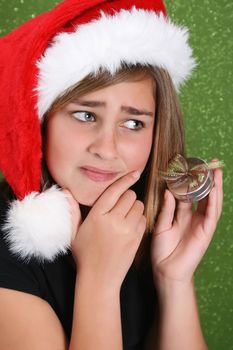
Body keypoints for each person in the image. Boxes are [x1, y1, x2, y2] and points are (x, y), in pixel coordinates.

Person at [0, 0, 223, 349]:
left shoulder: (134, 229)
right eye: (86, 115)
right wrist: (99, 280)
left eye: (134, 123)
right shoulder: (7, 256)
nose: (107, 148)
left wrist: (174, 280)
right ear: (39, 121)